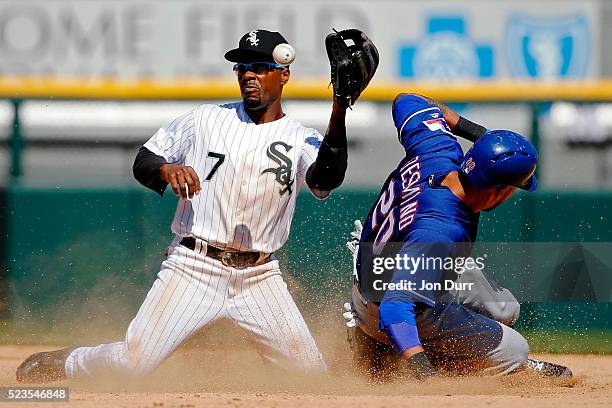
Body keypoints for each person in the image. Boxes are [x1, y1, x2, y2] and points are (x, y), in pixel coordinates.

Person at [16, 29, 353, 383]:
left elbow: (325, 179)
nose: (248, 75)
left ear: (283, 73)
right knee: (134, 363)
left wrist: (339, 107)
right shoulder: (206, 119)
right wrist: (165, 168)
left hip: (259, 276)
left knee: (311, 376)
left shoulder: (302, 138)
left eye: (259, 66)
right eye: (241, 68)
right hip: (194, 267)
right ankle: (68, 363)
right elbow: (144, 159)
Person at [343, 93, 572, 380]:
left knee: (504, 308)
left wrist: (467, 129)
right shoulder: (441, 230)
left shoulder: (437, 148)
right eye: (514, 188)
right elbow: (395, 307)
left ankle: (393, 342)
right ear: (500, 190)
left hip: (380, 267)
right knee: (515, 350)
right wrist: (425, 376)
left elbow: (407, 100)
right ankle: (393, 351)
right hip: (386, 304)